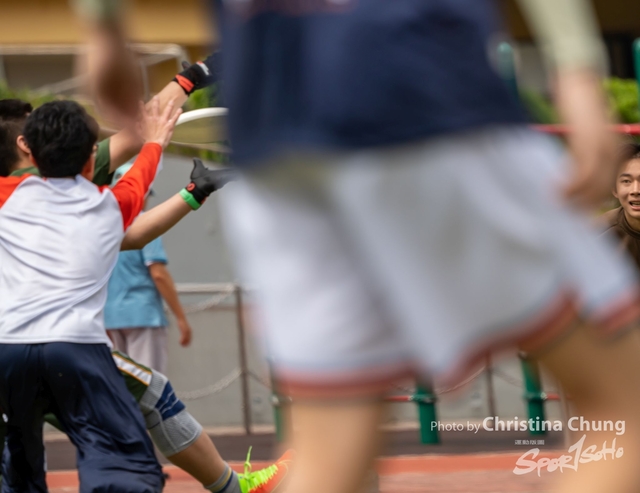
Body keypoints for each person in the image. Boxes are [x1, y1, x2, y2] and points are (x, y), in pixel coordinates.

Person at [77, 1, 640, 492]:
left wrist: (103, 30)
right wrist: (577, 70)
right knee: (625, 406)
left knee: (331, 458)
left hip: (278, 142)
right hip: (425, 94)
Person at [0, 98, 289, 493]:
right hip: (72, 346)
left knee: (19, 456)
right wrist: (167, 117)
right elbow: (136, 180)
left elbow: (131, 228)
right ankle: (234, 487)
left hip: (8, 348)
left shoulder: (11, 198)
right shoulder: (102, 204)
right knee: (127, 448)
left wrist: (190, 186)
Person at [106, 164, 193, 373]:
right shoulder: (145, 222)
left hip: (109, 318)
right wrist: (181, 317)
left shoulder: (104, 225)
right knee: (149, 383)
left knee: (122, 384)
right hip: (143, 314)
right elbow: (158, 274)